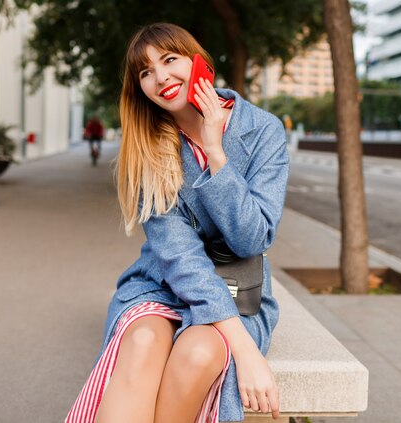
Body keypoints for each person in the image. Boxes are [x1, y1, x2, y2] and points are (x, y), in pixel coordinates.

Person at [67, 22, 289, 423]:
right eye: (145, 72)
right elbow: (180, 257)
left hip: (238, 289)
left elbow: (252, 238)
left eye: (169, 59)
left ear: (199, 61)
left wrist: (215, 153)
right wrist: (245, 351)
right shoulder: (146, 144)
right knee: (144, 340)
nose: (160, 77)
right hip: (163, 282)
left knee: (199, 352)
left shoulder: (262, 131)